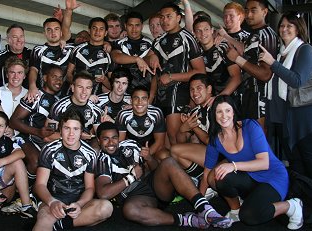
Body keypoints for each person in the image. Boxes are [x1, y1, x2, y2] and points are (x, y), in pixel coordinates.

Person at [95, 121, 232, 229]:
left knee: (168, 162)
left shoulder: (129, 144)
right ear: (99, 140)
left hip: (155, 185)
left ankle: (205, 209)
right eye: (105, 139)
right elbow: (103, 193)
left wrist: (149, 158)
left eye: (114, 138)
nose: (111, 143)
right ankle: (188, 220)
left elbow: (155, 168)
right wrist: (130, 177)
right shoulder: (101, 160)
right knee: (130, 211)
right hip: (137, 197)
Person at [201, 95, 303, 229]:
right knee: (219, 176)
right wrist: (200, 206)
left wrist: (233, 166)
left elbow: (264, 163)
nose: (223, 115)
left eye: (227, 110)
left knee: (249, 216)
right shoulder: (215, 139)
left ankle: (292, 206)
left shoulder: (250, 126)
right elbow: (206, 173)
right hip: (250, 177)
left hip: (272, 177)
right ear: (214, 115)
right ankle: (235, 210)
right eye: (219, 111)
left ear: (234, 112)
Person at [33, 110, 113, 231]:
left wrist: (80, 204)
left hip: (77, 201)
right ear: (60, 130)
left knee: (106, 208)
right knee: (44, 220)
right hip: (52, 199)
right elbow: (39, 185)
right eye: (67, 128)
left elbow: (90, 188)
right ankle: (56, 222)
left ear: (81, 131)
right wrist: (52, 202)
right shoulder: (49, 149)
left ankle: (60, 225)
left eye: (76, 129)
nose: (71, 134)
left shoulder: (90, 154)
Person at [259, 12, 312, 180]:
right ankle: (302, 200)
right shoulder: (281, 52)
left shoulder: (304, 49)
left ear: (298, 29)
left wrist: (273, 63)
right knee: (295, 162)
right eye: (282, 26)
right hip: (284, 116)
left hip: (303, 117)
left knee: (309, 160)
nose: (284, 29)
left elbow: (297, 80)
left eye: (289, 26)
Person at [150, 2, 206, 146]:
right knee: (165, 142)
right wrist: (152, 56)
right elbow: (147, 60)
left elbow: (200, 71)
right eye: (162, 17)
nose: (164, 20)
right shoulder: (158, 41)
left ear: (178, 18)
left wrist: (171, 77)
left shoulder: (188, 39)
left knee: (176, 140)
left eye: (169, 16)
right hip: (160, 97)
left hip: (178, 94)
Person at [226, 0, 279, 130]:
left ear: (265, 12)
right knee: (248, 142)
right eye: (246, 10)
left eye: (253, 10)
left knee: (259, 143)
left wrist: (237, 59)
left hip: (260, 95)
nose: (248, 14)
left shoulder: (266, 34)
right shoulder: (253, 35)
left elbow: (266, 74)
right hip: (248, 95)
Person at [9, 65, 63, 181]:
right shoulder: (35, 95)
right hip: (23, 136)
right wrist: (38, 132)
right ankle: (22, 192)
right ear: (44, 78)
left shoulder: (59, 102)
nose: (58, 81)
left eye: (60, 78)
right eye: (54, 77)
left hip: (42, 138)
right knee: (36, 161)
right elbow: (13, 121)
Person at [27, 0, 79, 100]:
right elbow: (34, 70)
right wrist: (32, 86)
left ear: (60, 32)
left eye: (56, 29)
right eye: (49, 30)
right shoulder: (38, 50)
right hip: (43, 97)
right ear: (45, 33)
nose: (53, 32)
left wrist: (69, 11)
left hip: (66, 98)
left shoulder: (70, 49)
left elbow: (67, 28)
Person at [170, 74, 212, 178]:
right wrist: (183, 129)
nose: (195, 93)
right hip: (209, 151)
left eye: (199, 88)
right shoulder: (195, 112)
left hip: (224, 154)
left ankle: (206, 180)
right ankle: (202, 179)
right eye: (192, 89)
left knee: (176, 150)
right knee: (176, 151)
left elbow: (210, 141)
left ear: (209, 89)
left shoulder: (219, 106)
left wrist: (194, 127)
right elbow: (181, 142)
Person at [0, 24, 30, 111]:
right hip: (4, 103)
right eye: (15, 37)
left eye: (21, 36)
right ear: (8, 40)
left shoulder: (32, 55)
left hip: (28, 103)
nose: (19, 40)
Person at [193, 16, 241, 100]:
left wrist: (218, 98)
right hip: (208, 101)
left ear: (212, 30)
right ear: (194, 33)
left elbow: (237, 77)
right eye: (198, 31)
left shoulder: (223, 47)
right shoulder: (195, 53)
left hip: (229, 99)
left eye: (206, 29)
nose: (203, 33)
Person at [116, 86, 165, 160]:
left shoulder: (156, 113)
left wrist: (146, 155)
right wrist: (134, 156)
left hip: (152, 150)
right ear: (131, 100)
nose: (140, 102)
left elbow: (159, 142)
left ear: (148, 101)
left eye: (144, 98)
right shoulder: (123, 115)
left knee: (164, 155)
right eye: (136, 98)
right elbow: (120, 142)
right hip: (130, 150)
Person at [111, 11, 154, 95]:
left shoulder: (151, 43)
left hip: (144, 93)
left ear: (142, 26)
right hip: (123, 93)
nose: (134, 29)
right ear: (125, 26)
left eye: (137, 25)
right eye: (131, 25)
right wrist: (137, 59)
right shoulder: (119, 43)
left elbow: (154, 66)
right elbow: (116, 57)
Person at [67, 17, 112, 95]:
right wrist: (78, 86)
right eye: (94, 28)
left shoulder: (108, 54)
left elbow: (112, 86)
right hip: (74, 96)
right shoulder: (78, 49)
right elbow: (68, 74)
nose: (97, 32)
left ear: (105, 33)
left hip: (95, 99)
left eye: (101, 29)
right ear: (89, 30)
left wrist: (103, 79)